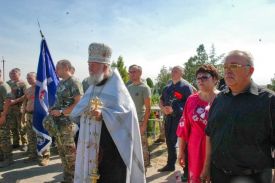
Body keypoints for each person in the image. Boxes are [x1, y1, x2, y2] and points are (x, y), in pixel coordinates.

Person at [71, 43, 145, 183]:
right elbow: (77, 112)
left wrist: (103, 113)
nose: (90, 68)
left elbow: (127, 115)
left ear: (105, 66)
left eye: (94, 64)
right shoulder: (92, 86)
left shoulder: (116, 88)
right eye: (89, 64)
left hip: (112, 149)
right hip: (91, 146)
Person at [205, 50, 275, 183]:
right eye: (225, 67)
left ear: (250, 71)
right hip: (218, 175)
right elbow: (210, 134)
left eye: (234, 66)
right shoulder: (219, 99)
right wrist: (206, 166)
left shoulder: (269, 100)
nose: (227, 70)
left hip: (253, 178)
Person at [177, 64, 219, 182]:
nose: (200, 80)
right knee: (196, 178)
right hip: (195, 148)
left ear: (215, 79)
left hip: (217, 148)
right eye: (198, 78)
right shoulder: (191, 100)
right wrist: (181, 152)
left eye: (204, 77)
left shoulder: (223, 99)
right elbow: (184, 127)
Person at [43, 60, 83, 183]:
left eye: (58, 68)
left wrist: (61, 112)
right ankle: (67, 179)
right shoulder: (60, 83)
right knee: (62, 153)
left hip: (68, 123)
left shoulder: (74, 82)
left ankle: (76, 179)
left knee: (70, 155)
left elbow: (79, 103)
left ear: (66, 67)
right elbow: (59, 101)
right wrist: (54, 108)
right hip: (58, 123)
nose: (56, 71)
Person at [158, 66, 193, 172]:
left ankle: (187, 170)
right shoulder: (167, 87)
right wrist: (163, 108)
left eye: (176, 71)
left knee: (185, 144)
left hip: (181, 120)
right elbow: (161, 100)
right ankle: (170, 165)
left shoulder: (186, 87)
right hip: (169, 119)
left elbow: (191, 103)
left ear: (182, 73)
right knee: (169, 142)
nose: (173, 73)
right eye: (172, 71)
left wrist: (175, 109)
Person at [22, 72, 50, 165]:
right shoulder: (28, 90)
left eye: (30, 78)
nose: (28, 80)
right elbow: (25, 102)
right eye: (27, 78)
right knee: (30, 135)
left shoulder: (41, 89)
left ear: (36, 78)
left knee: (41, 135)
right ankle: (32, 155)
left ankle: (45, 156)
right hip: (29, 115)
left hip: (38, 115)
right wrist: (23, 115)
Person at [127, 64, 151, 168]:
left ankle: (144, 168)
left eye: (134, 72)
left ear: (140, 73)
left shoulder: (144, 88)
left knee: (142, 146)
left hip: (140, 121)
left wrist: (144, 125)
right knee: (131, 146)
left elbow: (148, 108)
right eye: (130, 72)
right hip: (129, 121)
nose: (131, 74)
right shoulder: (128, 87)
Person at [7, 68, 28, 151]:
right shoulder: (9, 83)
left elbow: (26, 96)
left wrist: (15, 101)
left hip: (20, 108)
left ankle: (24, 143)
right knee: (13, 126)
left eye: (14, 74)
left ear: (19, 74)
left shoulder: (23, 84)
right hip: (10, 109)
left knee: (22, 126)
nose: (12, 75)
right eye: (10, 74)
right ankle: (15, 143)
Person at [0, 69, 13, 168]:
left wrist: (3, 115)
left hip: (2, 114)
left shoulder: (4, 86)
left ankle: (8, 159)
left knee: (5, 137)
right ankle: (2, 156)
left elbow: (8, 101)